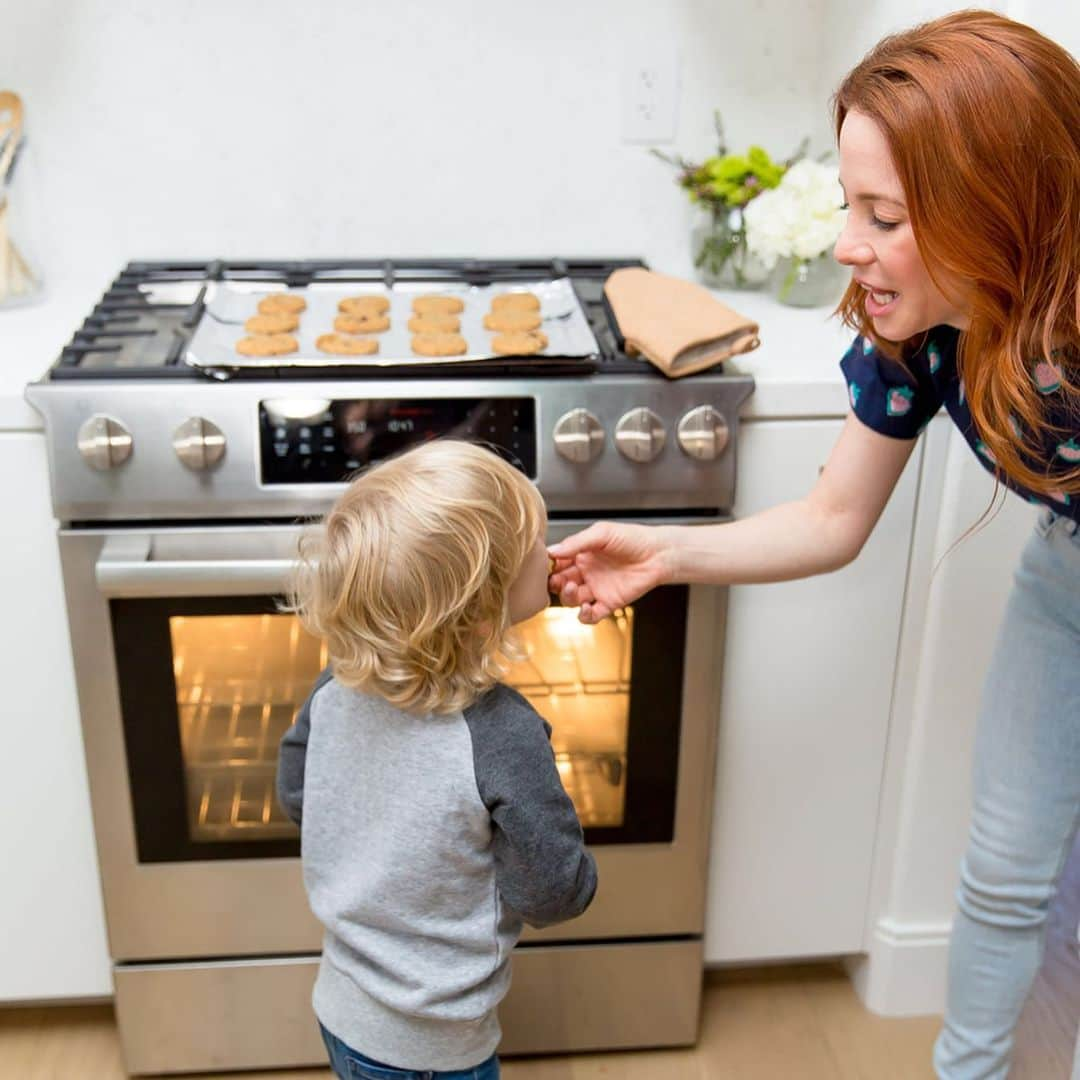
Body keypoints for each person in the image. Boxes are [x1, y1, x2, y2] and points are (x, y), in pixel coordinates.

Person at [549, 11, 1079, 1079]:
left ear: (1000, 213)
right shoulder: (916, 329)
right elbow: (835, 518)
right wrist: (666, 555)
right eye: (851, 207)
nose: (847, 246)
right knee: (1005, 873)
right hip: (1065, 575)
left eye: (885, 215)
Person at [277, 439, 597, 1080]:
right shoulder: (501, 733)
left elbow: (298, 795)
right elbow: (553, 892)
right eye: (537, 543)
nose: (551, 551)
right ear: (481, 613)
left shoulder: (332, 688)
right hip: (434, 1050)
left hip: (341, 1009)